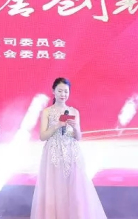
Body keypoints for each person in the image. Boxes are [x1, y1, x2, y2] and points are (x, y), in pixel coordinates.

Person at [30, 78, 107, 219]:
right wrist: (57, 125)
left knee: (75, 188)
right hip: (53, 153)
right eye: (60, 91)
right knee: (55, 187)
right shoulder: (47, 112)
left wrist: (76, 127)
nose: (63, 94)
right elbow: (42, 136)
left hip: (72, 153)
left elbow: (78, 137)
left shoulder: (74, 112)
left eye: (66, 91)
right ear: (53, 91)